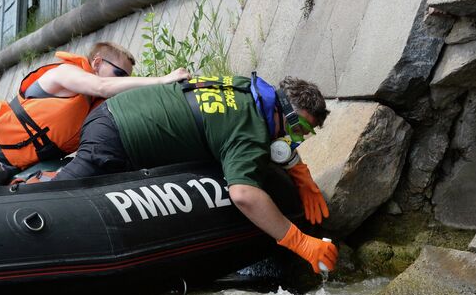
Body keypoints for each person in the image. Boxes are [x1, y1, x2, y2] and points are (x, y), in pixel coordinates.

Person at [51, 74, 339, 274]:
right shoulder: (249, 133)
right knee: (59, 198)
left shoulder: (244, 89)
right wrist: (300, 241)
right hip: (116, 140)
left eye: (305, 134)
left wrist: (299, 173)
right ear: (282, 111)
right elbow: (243, 194)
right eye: (297, 129)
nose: (296, 139)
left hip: (113, 113)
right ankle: (26, 190)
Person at [0, 42, 190, 191]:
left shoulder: (94, 112)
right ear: (97, 62)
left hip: (2, 164)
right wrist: (162, 79)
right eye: (120, 72)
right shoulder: (65, 74)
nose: (122, 79)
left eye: (127, 76)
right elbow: (103, 85)